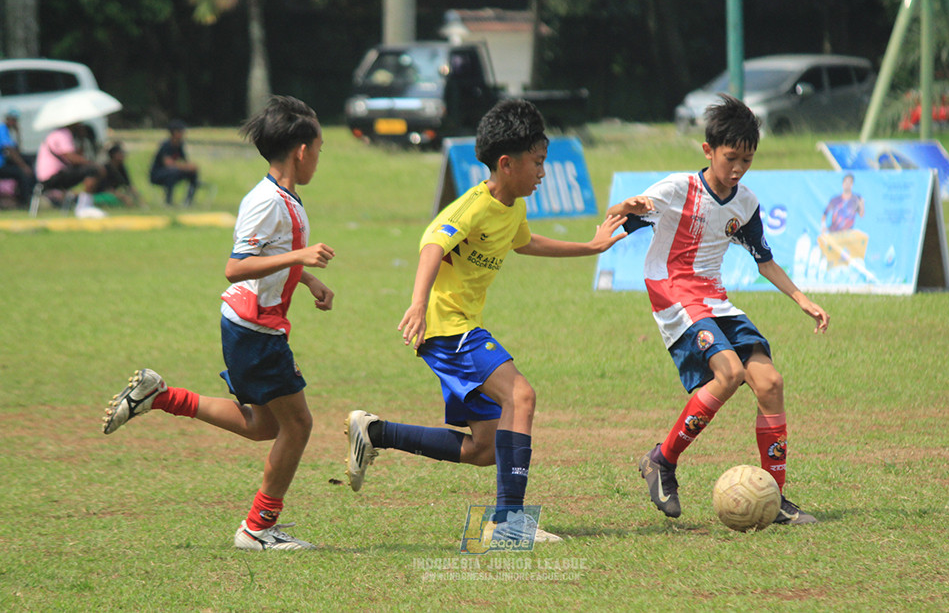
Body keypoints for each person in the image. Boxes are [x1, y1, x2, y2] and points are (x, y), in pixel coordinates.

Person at [344, 99, 627, 544]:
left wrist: (590, 247)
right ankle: (509, 525)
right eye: (537, 163)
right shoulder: (472, 206)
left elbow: (526, 243)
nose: (543, 172)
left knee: (483, 448)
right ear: (506, 163)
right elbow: (432, 245)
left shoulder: (511, 207)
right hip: (447, 327)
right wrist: (417, 304)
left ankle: (375, 432)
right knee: (522, 395)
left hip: (455, 327)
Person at [101, 96, 336, 550]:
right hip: (255, 329)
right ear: (302, 151)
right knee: (299, 426)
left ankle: (162, 395)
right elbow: (235, 266)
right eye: (320, 150)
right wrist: (301, 257)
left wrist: (304, 278)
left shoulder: (284, 197)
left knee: (263, 426)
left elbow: (267, 255)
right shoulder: (266, 200)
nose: (318, 159)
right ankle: (257, 528)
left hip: (253, 325)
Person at [606, 94, 830, 526]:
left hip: (713, 299)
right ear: (708, 151)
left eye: (747, 159)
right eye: (731, 158)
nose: (738, 168)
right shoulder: (677, 190)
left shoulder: (745, 202)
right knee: (728, 373)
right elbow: (622, 214)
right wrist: (625, 208)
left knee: (769, 382)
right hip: (673, 291)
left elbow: (764, 260)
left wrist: (803, 300)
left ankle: (773, 497)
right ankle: (661, 460)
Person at [34, 122, 107, 218]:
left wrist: (81, 141)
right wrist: (92, 164)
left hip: (48, 176)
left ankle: (85, 205)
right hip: (54, 176)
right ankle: (83, 207)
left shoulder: (57, 134)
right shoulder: (63, 134)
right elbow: (71, 157)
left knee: (90, 170)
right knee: (93, 170)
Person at [150, 119, 200, 206]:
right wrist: (185, 167)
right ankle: (168, 201)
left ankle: (188, 201)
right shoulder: (166, 145)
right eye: (181, 131)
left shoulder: (179, 145)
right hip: (158, 174)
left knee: (192, 173)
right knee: (173, 172)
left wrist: (191, 167)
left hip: (172, 172)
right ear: (174, 132)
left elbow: (184, 161)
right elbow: (168, 164)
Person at [0, 109, 35, 207]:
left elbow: (18, 150)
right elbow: (11, 151)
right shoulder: (2, 129)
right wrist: (24, 167)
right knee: (22, 173)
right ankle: (24, 202)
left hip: (3, 163)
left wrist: (17, 133)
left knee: (27, 163)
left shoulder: (7, 131)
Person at [94, 142, 143, 208]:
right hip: (101, 194)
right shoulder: (105, 169)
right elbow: (106, 189)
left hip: (113, 194)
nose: (123, 155)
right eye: (120, 153)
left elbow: (128, 185)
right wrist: (123, 197)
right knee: (113, 200)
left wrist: (139, 199)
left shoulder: (121, 168)